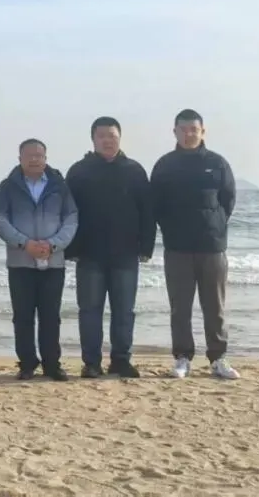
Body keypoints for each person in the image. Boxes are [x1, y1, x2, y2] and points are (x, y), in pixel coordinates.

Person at [151, 109, 239, 380]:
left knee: (215, 306)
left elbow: (228, 201)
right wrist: (171, 229)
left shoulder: (217, 163)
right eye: (183, 129)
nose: (189, 134)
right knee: (180, 308)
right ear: (175, 132)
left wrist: (215, 224)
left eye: (194, 129)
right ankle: (182, 358)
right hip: (177, 247)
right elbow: (156, 204)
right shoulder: (165, 165)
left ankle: (218, 358)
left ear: (203, 131)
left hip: (212, 247)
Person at [66, 117, 155, 379]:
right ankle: (91, 362)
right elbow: (68, 212)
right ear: (93, 139)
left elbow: (147, 211)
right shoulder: (79, 171)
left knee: (124, 311)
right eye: (102, 136)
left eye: (112, 136)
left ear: (120, 138)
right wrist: (71, 249)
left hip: (125, 254)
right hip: (89, 254)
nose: (107, 140)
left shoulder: (134, 170)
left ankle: (121, 360)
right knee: (89, 311)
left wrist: (146, 246)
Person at [0, 138, 78, 381]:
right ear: (19, 158)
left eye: (38, 155)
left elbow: (71, 218)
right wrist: (24, 243)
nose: (34, 159)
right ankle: (27, 363)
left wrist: (53, 244)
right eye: (29, 155)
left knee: (51, 316)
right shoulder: (8, 186)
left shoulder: (59, 185)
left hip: (53, 261)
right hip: (20, 261)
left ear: (45, 158)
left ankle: (52, 364)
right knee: (23, 316)